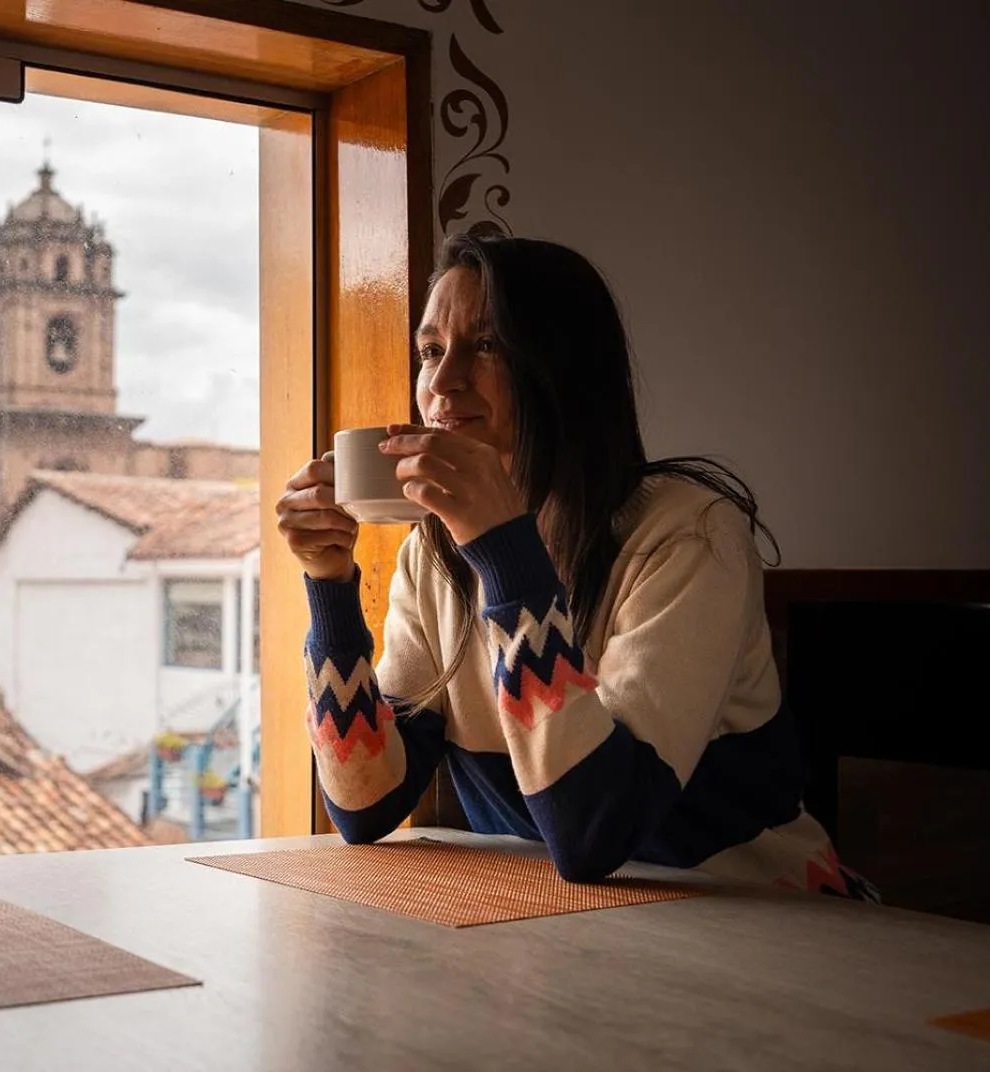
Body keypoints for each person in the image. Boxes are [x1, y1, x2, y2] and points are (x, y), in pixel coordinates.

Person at [276, 230, 875, 898]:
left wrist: (505, 553)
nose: (442, 383)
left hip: (767, 920)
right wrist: (329, 586)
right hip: (562, 926)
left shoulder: (690, 535)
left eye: (486, 344)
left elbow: (596, 830)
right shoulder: (436, 553)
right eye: (431, 351)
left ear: (562, 365)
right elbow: (366, 806)